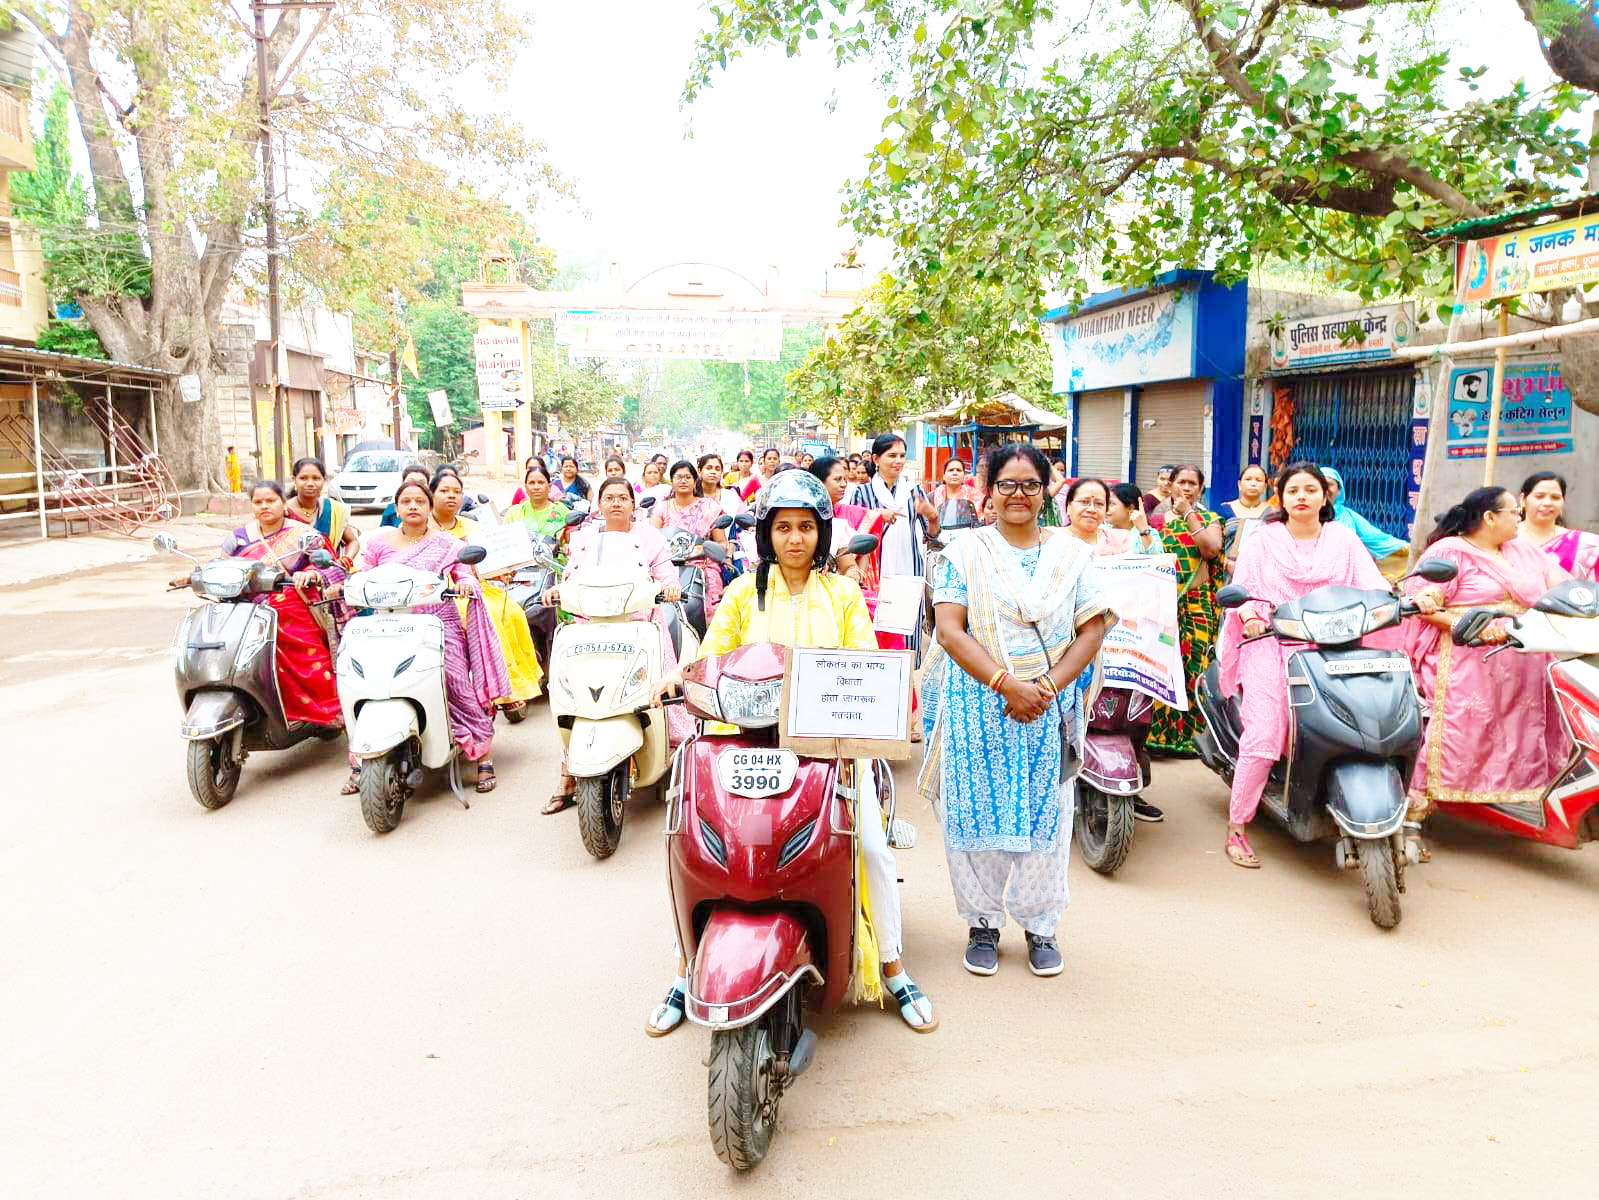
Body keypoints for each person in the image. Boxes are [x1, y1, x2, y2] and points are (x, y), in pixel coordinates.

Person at [647, 470, 936, 1035]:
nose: (795, 539)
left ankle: (894, 965)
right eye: (783, 528)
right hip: (741, 740)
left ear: (822, 534)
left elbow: (866, 660)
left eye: (806, 527)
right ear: (767, 534)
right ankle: (687, 968)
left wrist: (890, 701)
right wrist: (677, 677)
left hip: (827, 746)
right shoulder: (739, 592)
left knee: (872, 849)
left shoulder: (843, 594)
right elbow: (711, 656)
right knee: (686, 838)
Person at [922, 445, 1113, 977]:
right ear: (990, 490)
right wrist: (1006, 684)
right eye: (1008, 484)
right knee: (975, 815)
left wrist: (1045, 686)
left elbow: (1092, 626)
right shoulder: (966, 552)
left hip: (1048, 705)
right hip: (979, 703)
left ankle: (1040, 926)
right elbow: (950, 628)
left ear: (1046, 490)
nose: (1019, 495)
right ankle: (982, 922)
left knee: (1047, 819)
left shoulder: (1071, 555)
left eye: (1030, 484)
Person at [1215, 462, 1442, 867]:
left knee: (1381, 718)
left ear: (1326, 496)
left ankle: (1396, 815)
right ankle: (1238, 826)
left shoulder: (1343, 538)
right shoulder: (1263, 540)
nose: (1301, 497)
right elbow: (1246, 590)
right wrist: (1250, 616)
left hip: (1338, 645)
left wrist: (1406, 601)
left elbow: (1372, 585)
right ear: (1280, 498)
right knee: (1266, 735)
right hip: (1274, 642)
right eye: (1292, 491)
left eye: (1310, 489)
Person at [1403, 486, 1571, 859]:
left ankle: (1498, 803)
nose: (1520, 518)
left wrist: (1583, 597)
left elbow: (1561, 583)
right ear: (1490, 518)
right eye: (1513, 511)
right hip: (1467, 659)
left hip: (1523, 657)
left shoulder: (1523, 550)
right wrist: (1475, 629)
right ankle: (1415, 815)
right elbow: (1425, 606)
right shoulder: (1449, 553)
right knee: (1457, 734)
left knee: (1519, 734)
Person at [540, 478, 689, 814]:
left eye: (623, 497)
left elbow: (666, 573)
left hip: (638, 623)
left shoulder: (648, 537)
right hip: (590, 623)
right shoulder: (584, 538)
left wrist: (670, 585)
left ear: (633, 504)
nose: (617, 503)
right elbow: (571, 576)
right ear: (600, 504)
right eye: (609, 498)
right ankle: (566, 775)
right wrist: (556, 592)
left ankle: (675, 754)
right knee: (574, 697)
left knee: (661, 687)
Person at [354, 479, 509, 791]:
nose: (413, 506)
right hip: (388, 626)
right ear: (396, 508)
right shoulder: (378, 544)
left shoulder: (447, 544)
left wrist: (465, 583)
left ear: (429, 507)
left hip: (438, 624)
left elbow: (463, 572)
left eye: (420, 502)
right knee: (366, 680)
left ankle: (482, 755)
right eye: (406, 501)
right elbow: (363, 578)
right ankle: (364, 759)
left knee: (455, 681)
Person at [171, 480, 345, 728]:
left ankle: (327, 710)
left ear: (283, 503)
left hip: (290, 601)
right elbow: (222, 565)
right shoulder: (239, 538)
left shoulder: (303, 533)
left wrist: (311, 573)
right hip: (244, 605)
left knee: (293, 636)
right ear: (251, 505)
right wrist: (192, 576)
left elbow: (328, 564)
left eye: (271, 501)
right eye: (258, 502)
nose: (265, 507)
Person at [430, 468, 542, 764]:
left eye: (456, 491)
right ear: (432, 494)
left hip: (472, 588)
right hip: (433, 596)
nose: (451, 496)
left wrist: (504, 569)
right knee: (487, 616)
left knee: (514, 613)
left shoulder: (470, 525)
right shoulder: (425, 528)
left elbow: (485, 563)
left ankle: (507, 690)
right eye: (444, 491)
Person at [1146, 463, 1223, 756]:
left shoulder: (1210, 518)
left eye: (1193, 483)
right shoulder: (1157, 521)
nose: (1187, 488)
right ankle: (1161, 738)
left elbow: (1211, 549)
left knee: (1196, 667)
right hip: (1164, 604)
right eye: (1182, 482)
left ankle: (1194, 739)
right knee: (1164, 667)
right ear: (1171, 485)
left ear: (1201, 488)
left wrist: (1189, 513)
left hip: (1197, 605)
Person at [847, 433, 940, 597]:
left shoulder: (913, 491)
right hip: (874, 572)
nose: (899, 461)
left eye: (902, 456)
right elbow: (852, 538)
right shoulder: (863, 493)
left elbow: (931, 537)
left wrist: (933, 517)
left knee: (908, 617)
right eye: (892, 455)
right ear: (876, 459)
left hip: (910, 568)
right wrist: (875, 515)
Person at [650, 459, 727, 619]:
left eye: (687, 477)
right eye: (678, 477)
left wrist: (701, 549)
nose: (683, 481)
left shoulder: (708, 507)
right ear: (672, 481)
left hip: (702, 565)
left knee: (715, 611)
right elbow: (652, 540)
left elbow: (721, 543)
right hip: (667, 564)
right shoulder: (662, 507)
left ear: (695, 481)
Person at [1521, 470, 1599, 581]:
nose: (1548, 503)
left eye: (1555, 497)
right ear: (1523, 500)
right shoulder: (1504, 538)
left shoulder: (1585, 545)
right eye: (1539, 496)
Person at [1322, 467, 1407, 564]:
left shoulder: (1347, 517)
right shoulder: (1307, 514)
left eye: (1329, 484)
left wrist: (1409, 549)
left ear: (1339, 491)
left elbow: (1377, 538)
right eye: (1321, 485)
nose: (1325, 489)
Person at [285, 457, 359, 565]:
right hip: (291, 576)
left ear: (324, 481)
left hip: (328, 573)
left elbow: (353, 541)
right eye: (303, 478)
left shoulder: (333, 509)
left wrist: (346, 559)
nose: (310, 483)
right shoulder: (283, 510)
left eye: (316, 478)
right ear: (294, 480)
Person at [1221, 464, 1271, 576]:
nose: (1253, 483)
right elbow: (1214, 545)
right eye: (1248, 479)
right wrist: (1224, 561)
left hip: (1262, 573)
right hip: (1227, 573)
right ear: (1239, 484)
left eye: (1259, 480)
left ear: (1265, 486)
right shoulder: (1223, 510)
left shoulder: (1272, 513)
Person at [503, 460, 571, 539]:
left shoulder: (562, 511)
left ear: (549, 487)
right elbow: (505, 540)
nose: (536, 487)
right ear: (526, 488)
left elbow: (570, 541)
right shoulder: (514, 513)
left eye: (541, 482)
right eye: (531, 483)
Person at [1104, 481, 1162, 557]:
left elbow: (1157, 561)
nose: (1105, 508)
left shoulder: (1149, 533)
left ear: (1130, 508)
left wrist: (1144, 532)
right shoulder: (1100, 531)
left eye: (1111, 504)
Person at [697, 452, 745, 518]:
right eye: (709, 468)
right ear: (699, 471)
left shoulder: (731, 496)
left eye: (717, 469)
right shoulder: (691, 496)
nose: (713, 472)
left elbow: (742, 518)